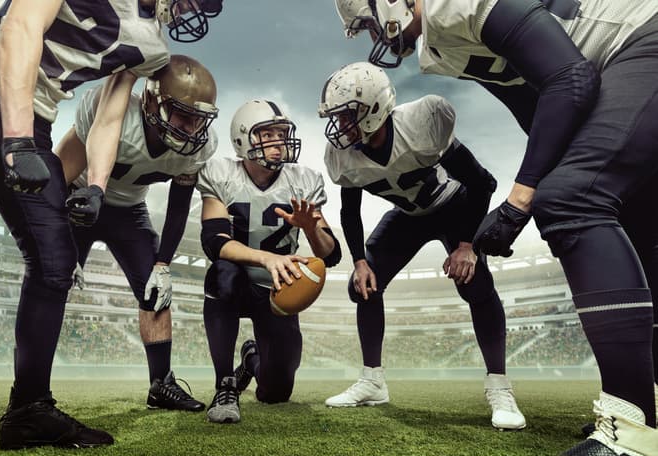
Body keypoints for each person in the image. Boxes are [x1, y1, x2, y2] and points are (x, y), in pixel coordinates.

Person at [333, 0, 658, 456]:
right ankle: (647, 417)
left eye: (366, 22)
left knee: (569, 199)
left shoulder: (445, 10)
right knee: (634, 218)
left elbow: (571, 79)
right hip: (621, 64)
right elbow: (538, 104)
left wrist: (518, 202)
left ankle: (631, 440)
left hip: (636, 42)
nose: (370, 35)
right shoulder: (439, 46)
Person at [0, 0, 223, 449]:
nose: (187, 8)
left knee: (55, 261)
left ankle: (29, 409)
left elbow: (110, 108)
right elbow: (21, 25)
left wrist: (99, 186)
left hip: (35, 114)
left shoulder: (151, 45)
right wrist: (17, 139)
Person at [318, 61, 525, 430]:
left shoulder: (422, 123)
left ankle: (499, 386)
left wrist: (466, 246)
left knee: (475, 284)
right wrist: (359, 262)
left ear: (375, 108)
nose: (341, 126)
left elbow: (483, 184)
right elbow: (350, 211)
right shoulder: (344, 156)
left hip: (455, 207)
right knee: (364, 285)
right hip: (409, 217)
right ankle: (372, 380)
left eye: (348, 115)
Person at [56, 54, 218, 413]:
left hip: (129, 212)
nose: (192, 129)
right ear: (151, 101)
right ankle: (30, 387)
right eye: (183, 115)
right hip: (80, 201)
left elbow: (178, 208)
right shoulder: (114, 111)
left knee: (155, 289)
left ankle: (161, 384)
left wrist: (163, 263)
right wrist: (56, 233)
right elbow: (60, 172)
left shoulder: (198, 148)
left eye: (199, 120)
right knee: (51, 281)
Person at [196, 99, 342, 423]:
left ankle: (251, 361)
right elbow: (214, 242)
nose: (279, 142)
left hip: (278, 290)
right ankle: (225, 384)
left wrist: (310, 229)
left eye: (282, 133)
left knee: (275, 392)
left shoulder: (303, 180)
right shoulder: (220, 174)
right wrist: (266, 258)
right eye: (268, 134)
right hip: (236, 280)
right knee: (222, 274)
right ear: (243, 138)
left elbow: (330, 254)